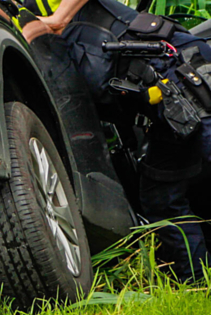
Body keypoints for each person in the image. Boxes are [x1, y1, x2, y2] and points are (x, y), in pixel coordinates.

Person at [15, 0, 211, 281]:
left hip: (180, 71)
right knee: (160, 199)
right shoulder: (18, 16)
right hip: (164, 106)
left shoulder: (57, 14)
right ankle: (197, 282)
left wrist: (58, 18)